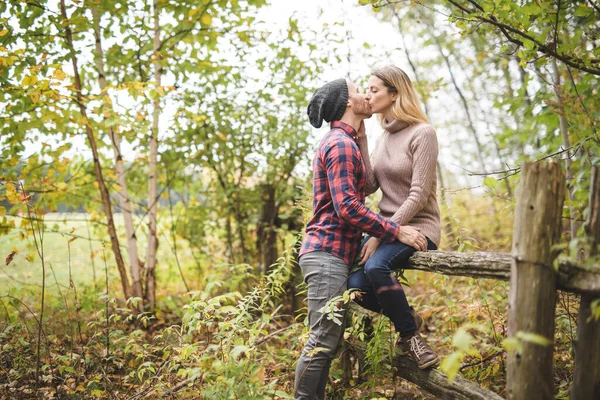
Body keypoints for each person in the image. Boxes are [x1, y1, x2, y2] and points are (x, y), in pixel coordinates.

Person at [295, 77, 428, 399]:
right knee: (322, 341)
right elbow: (347, 208)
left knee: (327, 339)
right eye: (358, 92)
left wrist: (365, 137)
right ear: (347, 104)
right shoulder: (340, 144)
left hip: (333, 254)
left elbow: (365, 187)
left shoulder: (346, 141)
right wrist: (396, 230)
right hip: (326, 254)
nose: (365, 96)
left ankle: (406, 320)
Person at [347, 65, 441, 369]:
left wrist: (380, 233)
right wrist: (361, 139)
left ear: (394, 93)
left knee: (376, 265)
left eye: (374, 90)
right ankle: (407, 316)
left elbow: (419, 195)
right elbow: (373, 185)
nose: (367, 95)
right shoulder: (382, 138)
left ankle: (411, 339)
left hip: (418, 226)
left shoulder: (422, 133)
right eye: (367, 89)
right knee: (353, 288)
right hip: (389, 229)